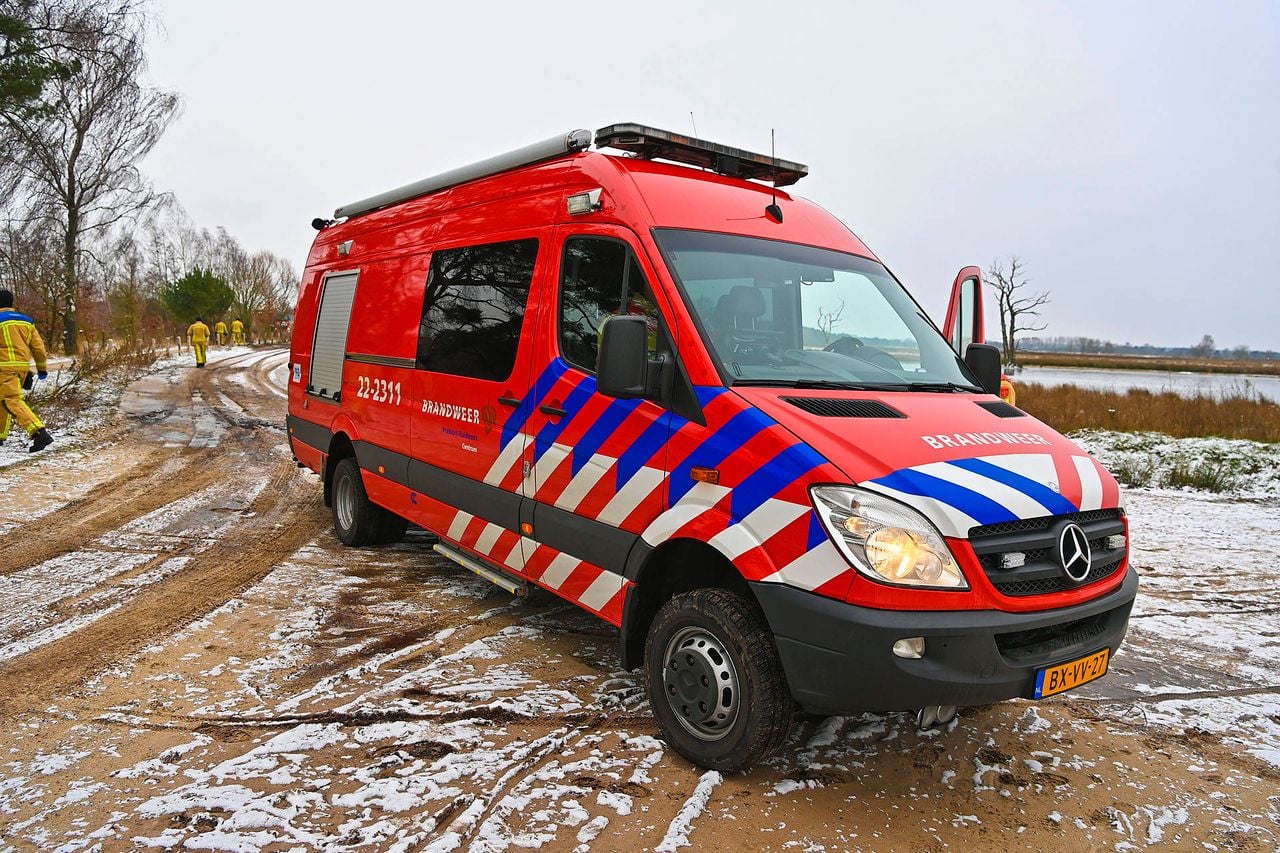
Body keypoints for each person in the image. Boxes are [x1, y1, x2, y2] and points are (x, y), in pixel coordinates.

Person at [0, 289, 53, 452]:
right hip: (21, 368)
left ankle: (39, 432)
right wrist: (41, 369)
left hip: (3, 367)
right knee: (3, 400)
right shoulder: (26, 321)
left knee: (10, 400)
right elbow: (38, 348)